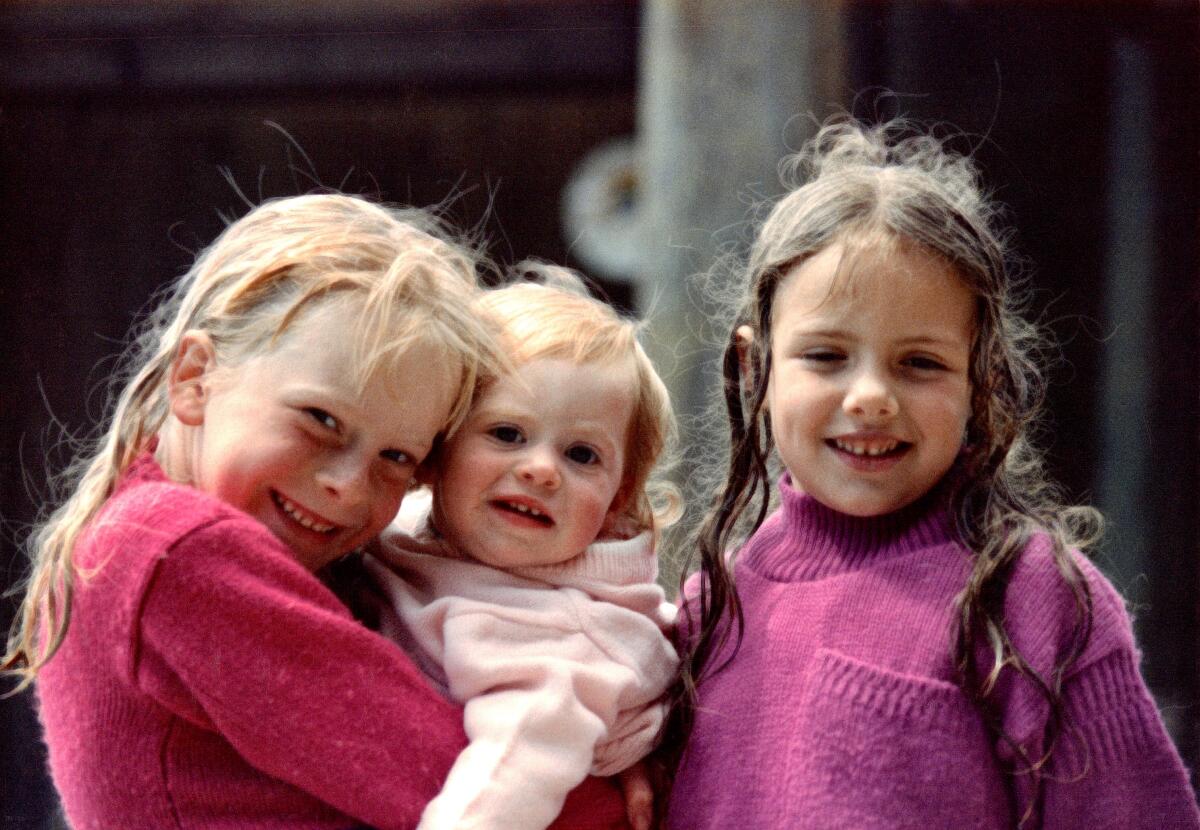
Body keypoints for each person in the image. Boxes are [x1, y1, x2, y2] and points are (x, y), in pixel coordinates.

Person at [2, 194, 638, 830]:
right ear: (196, 378)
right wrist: (638, 781)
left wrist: (618, 733)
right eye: (321, 420)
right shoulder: (178, 548)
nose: (347, 485)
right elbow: (465, 787)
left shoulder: (161, 534)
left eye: (396, 456)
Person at [664, 119, 1200, 829]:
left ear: (981, 385)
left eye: (920, 363)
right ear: (756, 368)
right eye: (825, 356)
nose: (870, 397)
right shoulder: (711, 609)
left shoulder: (1034, 603)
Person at [362, 269, 680, 830]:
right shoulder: (417, 533)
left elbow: (512, 774)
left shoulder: (564, 636)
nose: (540, 470)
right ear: (439, 446)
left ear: (618, 497)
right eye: (507, 434)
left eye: (581, 455)